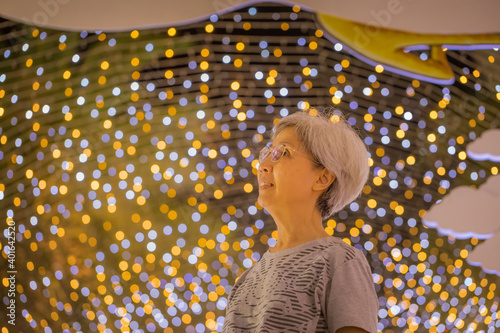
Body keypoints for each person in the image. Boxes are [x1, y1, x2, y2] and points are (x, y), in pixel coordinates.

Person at [222, 109, 379, 333]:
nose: (263, 165)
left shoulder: (339, 261)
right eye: (267, 152)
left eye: (282, 152)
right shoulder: (246, 279)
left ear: (322, 178)